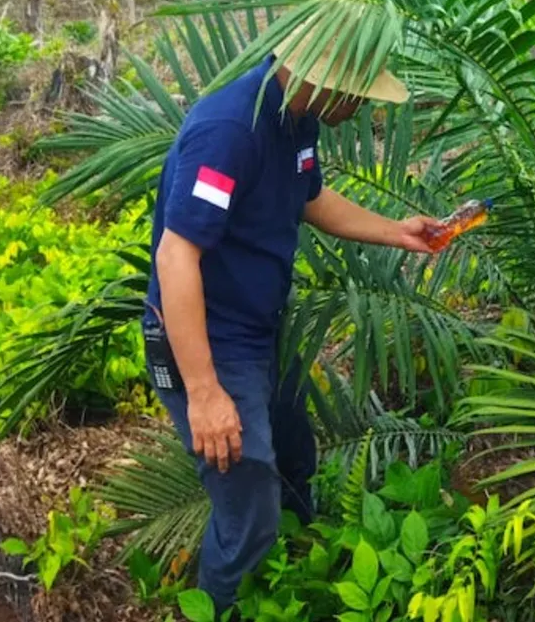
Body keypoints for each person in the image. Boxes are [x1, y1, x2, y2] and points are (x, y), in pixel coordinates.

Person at [141, 46, 438, 612]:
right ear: (322, 78)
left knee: (296, 460)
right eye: (357, 92)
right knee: (248, 512)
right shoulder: (231, 128)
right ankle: (228, 605)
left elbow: (311, 196)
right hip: (210, 345)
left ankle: (294, 583)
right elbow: (176, 256)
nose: (360, 106)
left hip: (259, 334)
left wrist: (397, 232)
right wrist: (205, 393)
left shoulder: (298, 118)